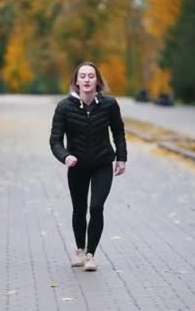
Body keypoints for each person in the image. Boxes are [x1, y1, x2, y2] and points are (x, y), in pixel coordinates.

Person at [49, 61, 127, 271]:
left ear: (97, 81)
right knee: (79, 209)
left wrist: (121, 158)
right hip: (77, 166)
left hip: (102, 164)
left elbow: (118, 132)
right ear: (76, 81)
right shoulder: (64, 107)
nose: (86, 79)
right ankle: (80, 250)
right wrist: (65, 157)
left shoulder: (109, 105)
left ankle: (91, 255)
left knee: (96, 207)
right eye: (82, 76)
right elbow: (55, 140)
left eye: (91, 76)